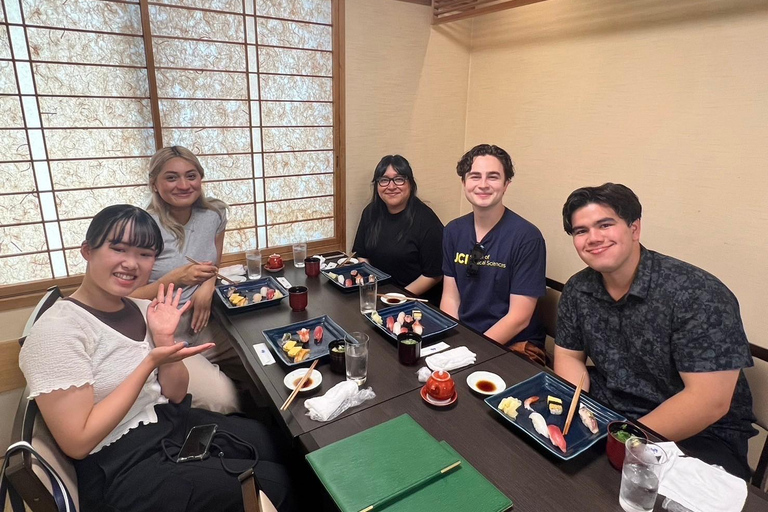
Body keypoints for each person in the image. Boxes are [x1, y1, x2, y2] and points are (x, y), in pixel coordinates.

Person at [19, 205, 294, 511]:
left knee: (270, 439)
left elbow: (175, 394)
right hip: (121, 468)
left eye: (145, 254)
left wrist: (164, 342)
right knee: (275, 482)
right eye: (118, 248)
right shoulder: (58, 331)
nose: (131, 263)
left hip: (169, 427)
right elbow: (78, 442)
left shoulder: (137, 307)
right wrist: (148, 363)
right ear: (87, 251)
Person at [554, 183, 756, 480]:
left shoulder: (698, 294)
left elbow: (709, 401)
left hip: (699, 435)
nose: (593, 238)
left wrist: (627, 438)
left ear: (634, 228)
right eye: (581, 231)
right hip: (611, 411)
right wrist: (578, 411)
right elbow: (569, 357)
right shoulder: (577, 288)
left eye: (605, 225)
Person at [131, 146, 240, 414]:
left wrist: (207, 286)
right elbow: (128, 298)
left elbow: (213, 264)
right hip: (162, 337)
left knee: (265, 360)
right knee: (224, 400)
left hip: (206, 322)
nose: (183, 185)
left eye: (191, 176)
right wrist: (176, 278)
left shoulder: (214, 214)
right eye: (171, 178)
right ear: (154, 184)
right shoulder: (142, 227)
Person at [440, 144, 547, 362]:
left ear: (506, 183)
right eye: (475, 176)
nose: (483, 185)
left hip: (513, 345)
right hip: (465, 337)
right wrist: (452, 341)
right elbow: (450, 297)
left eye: (493, 177)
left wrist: (471, 353)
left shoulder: (527, 237)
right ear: (464, 182)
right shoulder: (453, 230)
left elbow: (519, 317)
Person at [352, 155, 444, 302]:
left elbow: (434, 275)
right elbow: (361, 254)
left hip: (415, 301)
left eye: (399, 179)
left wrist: (398, 296)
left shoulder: (426, 219)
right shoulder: (370, 212)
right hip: (379, 294)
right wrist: (372, 285)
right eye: (384, 180)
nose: (391, 186)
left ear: (411, 184)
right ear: (377, 185)